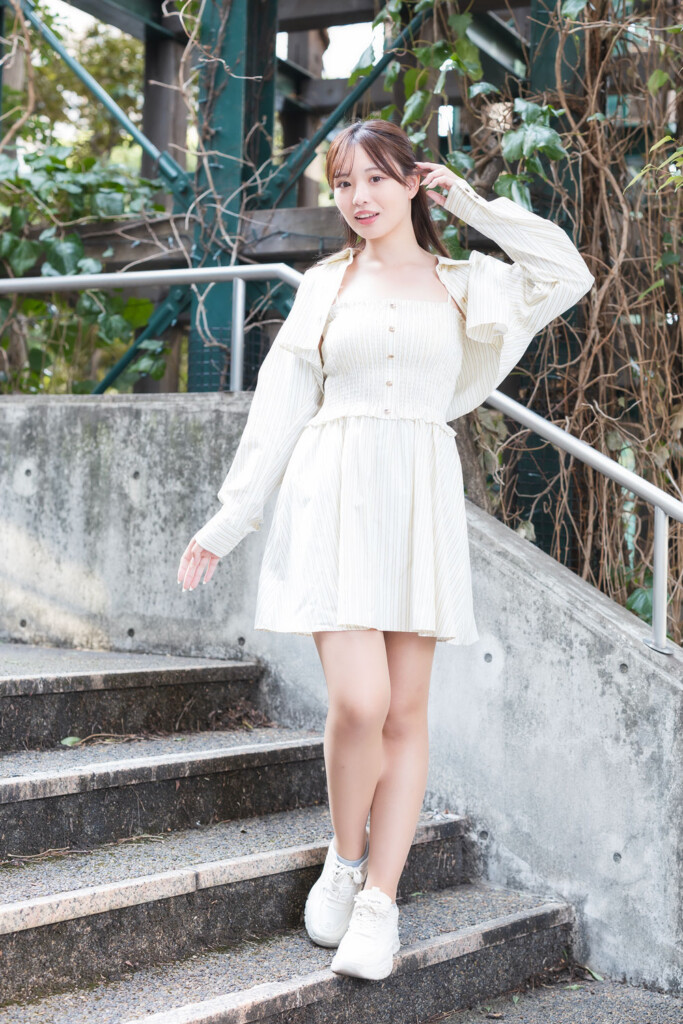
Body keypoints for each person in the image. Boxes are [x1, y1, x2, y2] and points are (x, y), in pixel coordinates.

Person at [177, 118, 594, 981]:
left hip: (417, 496)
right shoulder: (324, 286)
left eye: (375, 179)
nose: (358, 198)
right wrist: (228, 520)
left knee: (406, 712)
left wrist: (469, 202)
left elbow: (564, 272)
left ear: (412, 182)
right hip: (331, 494)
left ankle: (378, 902)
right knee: (360, 702)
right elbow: (280, 403)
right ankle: (345, 853)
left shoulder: (466, 283)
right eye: (342, 184)